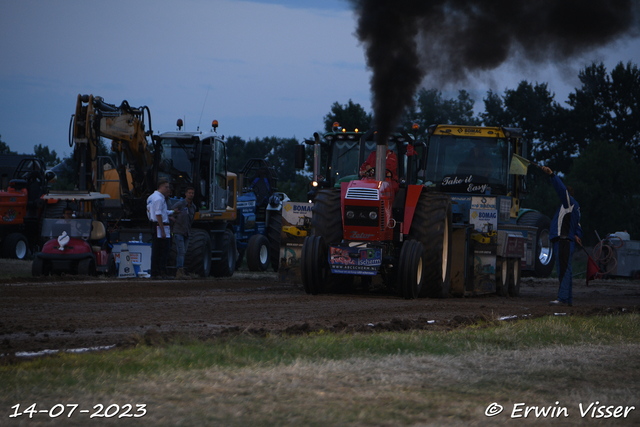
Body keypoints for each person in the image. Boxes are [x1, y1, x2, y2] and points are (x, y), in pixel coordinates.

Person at [542, 166, 583, 307]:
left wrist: (552, 175)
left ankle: (562, 298)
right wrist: (577, 235)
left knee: (564, 270)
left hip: (563, 241)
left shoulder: (568, 203)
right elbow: (578, 226)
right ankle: (568, 298)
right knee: (568, 270)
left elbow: (560, 189)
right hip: (569, 241)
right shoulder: (576, 207)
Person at [147, 179, 172, 279]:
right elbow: (158, 214)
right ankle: (159, 271)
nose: (168, 189)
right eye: (166, 187)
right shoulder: (159, 199)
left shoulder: (151, 197)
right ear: (160, 187)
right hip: (159, 225)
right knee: (163, 249)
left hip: (154, 223)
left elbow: (158, 212)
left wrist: (172, 212)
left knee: (157, 249)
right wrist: (162, 230)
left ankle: (156, 272)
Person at [171, 187, 196, 279]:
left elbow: (191, 221)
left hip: (187, 232)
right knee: (181, 251)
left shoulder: (193, 207)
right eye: (189, 193)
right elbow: (169, 213)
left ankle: (181, 270)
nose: (191, 194)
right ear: (185, 194)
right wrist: (172, 219)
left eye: (192, 193)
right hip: (178, 231)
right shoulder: (180, 204)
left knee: (183, 252)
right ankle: (179, 270)